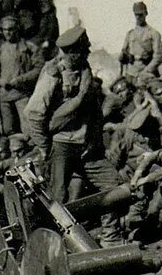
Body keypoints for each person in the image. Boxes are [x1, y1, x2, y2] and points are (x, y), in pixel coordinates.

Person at [26, 25, 129, 242]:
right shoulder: (52, 73)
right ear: (70, 52)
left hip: (87, 147)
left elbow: (93, 109)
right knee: (57, 201)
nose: (86, 54)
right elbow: (34, 113)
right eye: (82, 51)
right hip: (62, 146)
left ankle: (110, 237)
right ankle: (56, 246)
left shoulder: (84, 70)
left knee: (114, 186)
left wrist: (94, 138)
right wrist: (45, 147)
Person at [0, 15, 43, 135]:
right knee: (8, 130)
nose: (8, 32)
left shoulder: (29, 48)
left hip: (22, 94)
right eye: (5, 30)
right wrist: (0, 81)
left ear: (17, 29)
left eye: (11, 29)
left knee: (29, 130)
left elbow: (39, 69)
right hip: (5, 97)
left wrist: (21, 79)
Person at [120, 1, 162, 79]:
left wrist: (147, 71)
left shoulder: (153, 33)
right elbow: (123, 53)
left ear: (146, 13)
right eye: (136, 15)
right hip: (131, 73)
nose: (138, 17)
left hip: (147, 74)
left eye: (140, 14)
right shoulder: (130, 34)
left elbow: (159, 56)